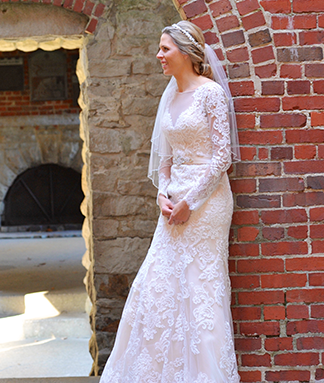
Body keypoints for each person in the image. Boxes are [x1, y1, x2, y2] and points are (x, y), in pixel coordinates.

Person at [99, 20, 241, 382]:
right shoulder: (170, 96)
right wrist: (162, 194)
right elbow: (164, 160)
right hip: (174, 199)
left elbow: (222, 157)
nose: (158, 55)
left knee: (200, 289)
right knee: (158, 284)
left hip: (207, 203)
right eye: (160, 49)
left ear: (187, 52)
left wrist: (190, 202)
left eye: (165, 49)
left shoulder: (210, 94)